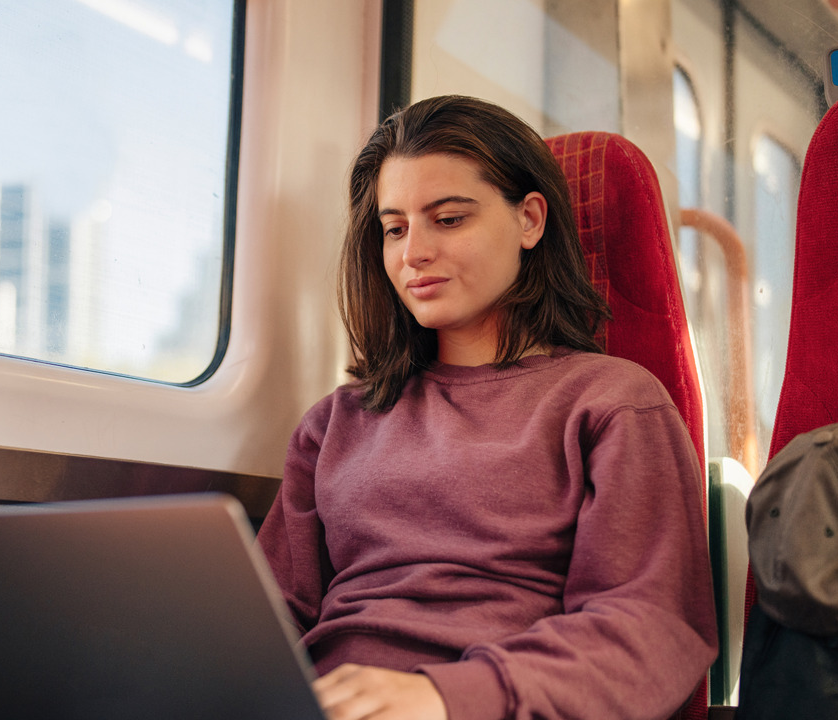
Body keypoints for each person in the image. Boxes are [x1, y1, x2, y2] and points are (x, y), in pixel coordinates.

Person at [255, 95, 719, 720]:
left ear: (529, 220)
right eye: (394, 228)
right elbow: (267, 617)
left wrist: (444, 697)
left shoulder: (612, 402)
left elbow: (649, 628)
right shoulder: (337, 421)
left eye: (447, 219)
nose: (412, 253)